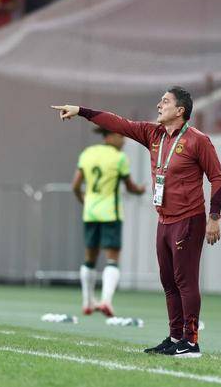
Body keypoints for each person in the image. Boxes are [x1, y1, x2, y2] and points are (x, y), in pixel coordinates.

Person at [52, 86, 221, 358]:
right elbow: (118, 123)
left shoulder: (198, 140)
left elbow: (217, 177)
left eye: (165, 102)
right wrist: (81, 111)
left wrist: (214, 217)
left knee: (185, 280)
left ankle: (191, 342)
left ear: (180, 110)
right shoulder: (153, 134)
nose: (159, 105)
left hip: (188, 219)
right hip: (164, 219)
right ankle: (175, 337)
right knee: (168, 281)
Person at [72, 127, 145, 317]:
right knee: (112, 259)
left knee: (90, 258)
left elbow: (75, 185)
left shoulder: (87, 153)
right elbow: (130, 187)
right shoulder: (119, 158)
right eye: (121, 136)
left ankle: (87, 302)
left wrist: (85, 202)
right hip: (111, 214)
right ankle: (106, 301)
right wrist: (140, 190)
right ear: (109, 136)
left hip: (90, 213)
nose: (124, 141)